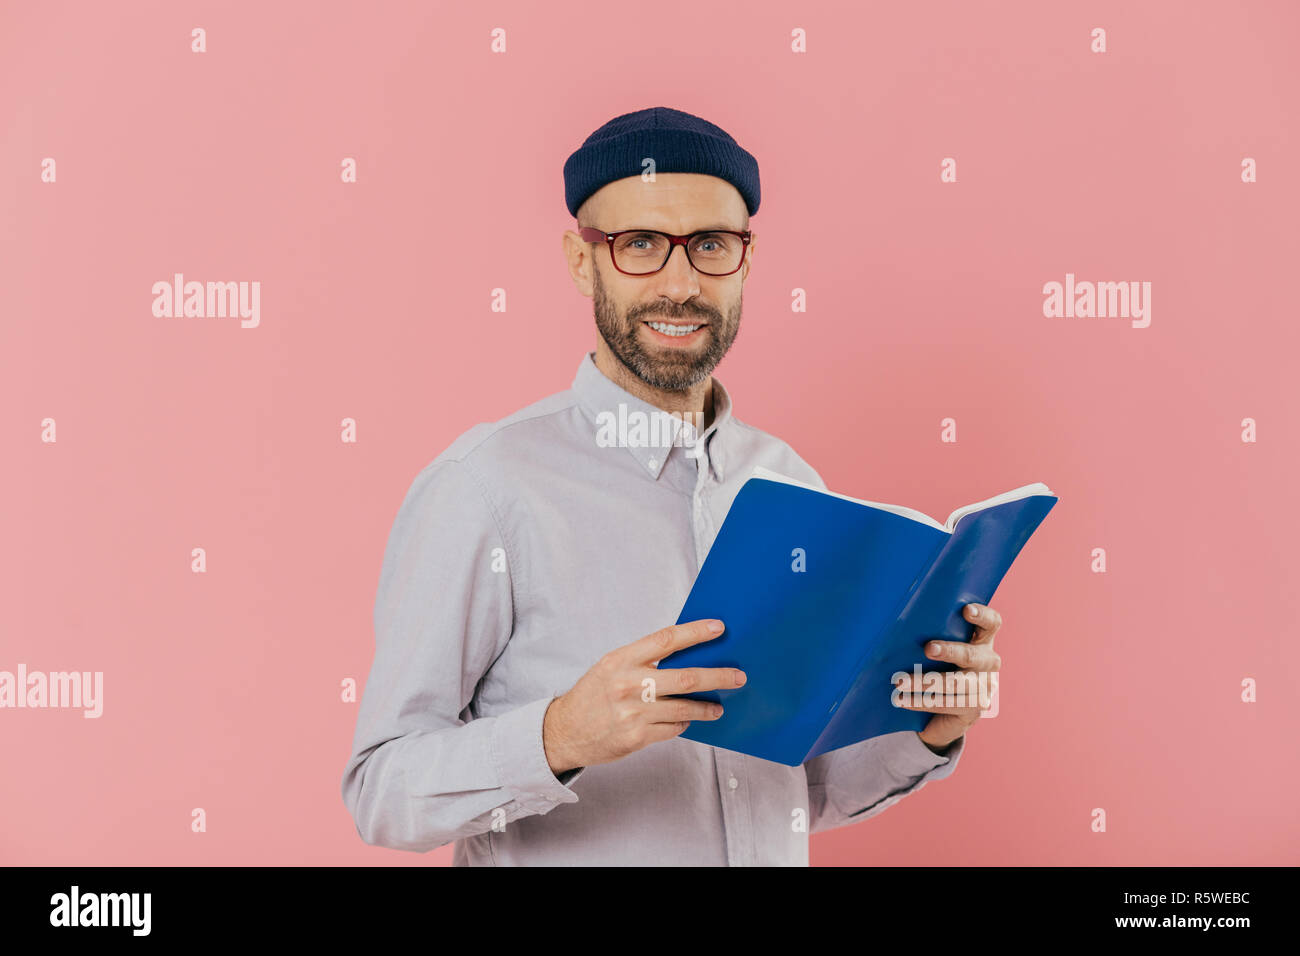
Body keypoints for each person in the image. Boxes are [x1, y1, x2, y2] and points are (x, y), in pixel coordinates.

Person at [341, 106, 1003, 865]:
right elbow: (380, 789)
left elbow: (802, 790)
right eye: (642, 245)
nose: (681, 284)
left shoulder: (790, 482)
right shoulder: (485, 489)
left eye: (712, 245)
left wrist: (932, 723)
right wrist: (558, 735)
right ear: (582, 261)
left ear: (747, 261)